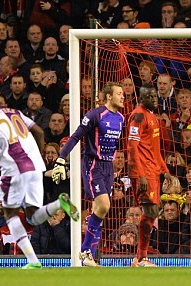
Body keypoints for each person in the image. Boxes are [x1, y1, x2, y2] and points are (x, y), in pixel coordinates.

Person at [0, 84, 79, 269]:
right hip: (35, 166)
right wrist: (37, 156)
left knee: (10, 214)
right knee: (32, 216)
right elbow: (39, 131)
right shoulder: (12, 111)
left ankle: (33, 261)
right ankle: (58, 204)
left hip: (14, 168)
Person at [51, 82, 125, 266]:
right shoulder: (95, 115)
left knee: (100, 210)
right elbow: (75, 136)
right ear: (109, 96)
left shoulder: (121, 118)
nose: (123, 97)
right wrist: (61, 159)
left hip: (109, 167)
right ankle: (85, 252)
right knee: (103, 205)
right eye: (119, 94)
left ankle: (88, 255)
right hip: (93, 164)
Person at [127, 84, 172, 267]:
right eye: (149, 97)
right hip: (143, 172)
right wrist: (141, 175)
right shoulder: (138, 115)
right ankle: (142, 257)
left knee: (153, 211)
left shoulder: (152, 116)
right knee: (150, 211)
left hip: (153, 170)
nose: (154, 100)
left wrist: (165, 170)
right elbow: (132, 147)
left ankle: (140, 258)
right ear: (140, 98)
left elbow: (155, 149)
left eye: (155, 97)